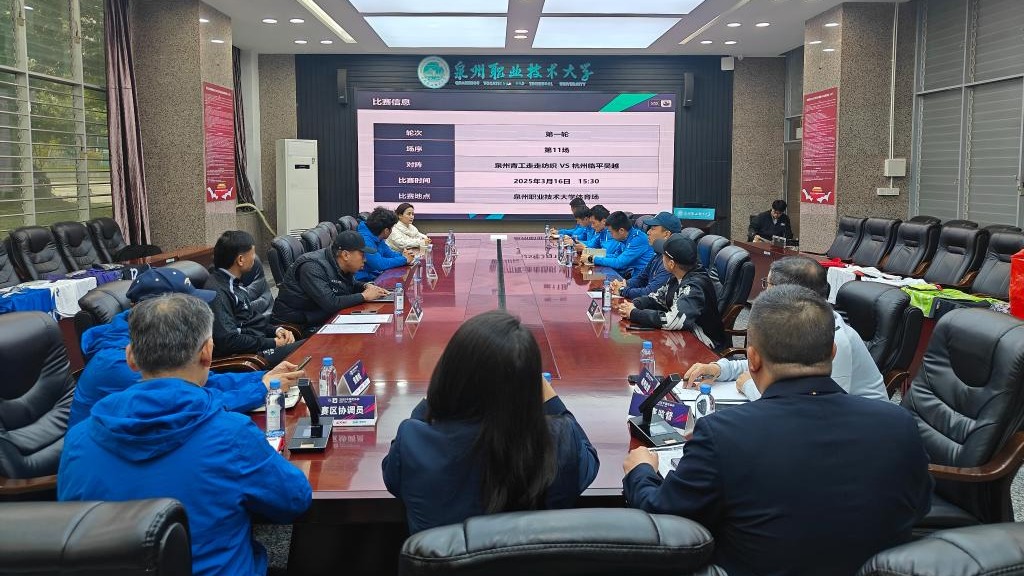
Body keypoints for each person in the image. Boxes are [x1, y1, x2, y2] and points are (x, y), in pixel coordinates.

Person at [622, 285, 932, 575]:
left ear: (753, 359)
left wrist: (641, 470)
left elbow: (663, 515)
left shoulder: (723, 434)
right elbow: (918, 509)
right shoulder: (899, 425)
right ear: (832, 352)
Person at [59, 293, 312, 576]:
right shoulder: (233, 435)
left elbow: (73, 534)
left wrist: (263, 379)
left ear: (131, 357)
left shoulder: (78, 440)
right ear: (207, 352)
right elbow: (295, 500)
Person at [382, 310, 599, 533]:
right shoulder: (561, 441)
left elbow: (394, 478)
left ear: (449, 372)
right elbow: (588, 457)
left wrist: (437, 393)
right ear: (529, 386)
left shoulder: (413, 441)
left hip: (443, 556)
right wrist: (549, 397)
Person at [68, 267, 304, 429]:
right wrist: (260, 389)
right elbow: (190, 403)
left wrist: (266, 378)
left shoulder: (161, 340)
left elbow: (208, 382)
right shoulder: (118, 363)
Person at [683, 256, 888, 401]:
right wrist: (720, 369)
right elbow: (767, 364)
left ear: (788, 293)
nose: (764, 291)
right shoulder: (795, 324)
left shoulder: (835, 339)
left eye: (768, 284)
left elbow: (821, 408)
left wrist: (749, 386)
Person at [207, 230, 304, 367]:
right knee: (312, 349)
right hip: (248, 357)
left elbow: (251, 320)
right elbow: (229, 340)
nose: (254, 258)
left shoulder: (234, 284)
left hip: (258, 345)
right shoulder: (218, 291)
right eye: (252, 253)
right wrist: (273, 343)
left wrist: (277, 330)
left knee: (313, 344)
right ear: (240, 260)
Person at [617, 234, 726, 351]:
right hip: (682, 339)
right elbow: (657, 298)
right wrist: (634, 304)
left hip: (705, 346)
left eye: (663, 256)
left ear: (671, 264)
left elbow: (673, 321)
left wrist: (634, 313)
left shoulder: (694, 287)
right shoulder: (678, 276)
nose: (661, 258)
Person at [272, 230, 390, 329]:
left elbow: (349, 286)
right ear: (345, 255)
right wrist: (364, 296)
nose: (365, 260)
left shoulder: (339, 264)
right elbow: (331, 303)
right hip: (296, 326)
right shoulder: (312, 267)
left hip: (319, 317)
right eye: (362, 255)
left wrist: (366, 286)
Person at [612, 211, 679, 300]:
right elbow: (641, 278)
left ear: (666, 234)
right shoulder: (658, 254)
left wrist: (622, 290)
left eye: (653, 229)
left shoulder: (670, 261)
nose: (648, 232)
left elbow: (651, 292)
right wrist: (624, 283)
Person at [584, 211, 653, 279]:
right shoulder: (624, 237)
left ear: (621, 231)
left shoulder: (638, 239)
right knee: (593, 276)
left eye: (611, 232)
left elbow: (619, 263)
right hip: (630, 275)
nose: (611, 235)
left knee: (597, 278)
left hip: (641, 279)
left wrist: (592, 258)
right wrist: (591, 254)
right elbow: (615, 256)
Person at [357, 206, 416, 281]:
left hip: (375, 275)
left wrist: (404, 256)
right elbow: (379, 264)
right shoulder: (364, 239)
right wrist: (404, 259)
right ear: (386, 231)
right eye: (392, 228)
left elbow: (389, 253)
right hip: (364, 281)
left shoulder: (377, 235)